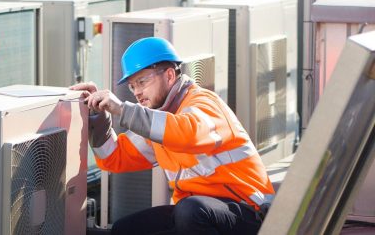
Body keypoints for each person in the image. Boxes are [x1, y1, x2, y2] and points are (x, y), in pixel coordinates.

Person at [70, 37, 274, 235]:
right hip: (199, 213)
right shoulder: (159, 123)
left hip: (251, 213)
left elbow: (189, 134)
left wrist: (123, 110)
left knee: (190, 211)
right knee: (125, 229)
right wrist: (98, 116)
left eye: (142, 82)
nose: (137, 92)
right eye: (132, 86)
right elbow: (113, 158)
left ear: (169, 76)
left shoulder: (203, 103)